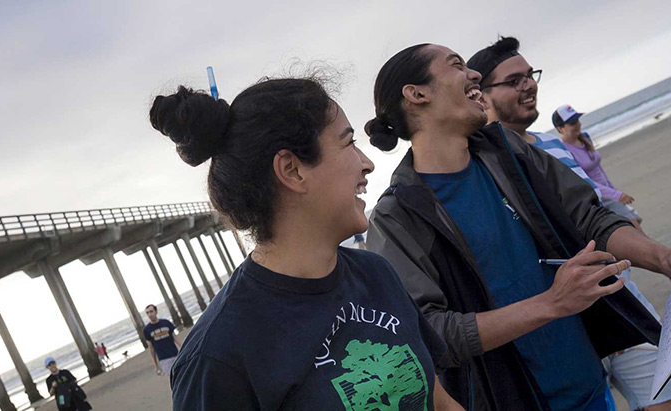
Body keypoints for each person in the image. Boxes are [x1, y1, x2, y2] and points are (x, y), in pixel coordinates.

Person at [363, 43, 671, 410]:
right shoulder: (397, 215)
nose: (474, 74)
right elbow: (430, 333)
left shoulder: (506, 151)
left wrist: (662, 258)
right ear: (416, 94)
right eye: (457, 65)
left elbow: (588, 216)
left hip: (588, 384)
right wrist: (551, 304)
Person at [149, 77, 462, 410]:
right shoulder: (217, 358)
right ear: (292, 170)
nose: (367, 163)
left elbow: (437, 401)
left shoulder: (375, 274)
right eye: (348, 143)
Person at [468, 37, 671, 410]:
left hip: (618, 298)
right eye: (514, 80)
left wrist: (659, 256)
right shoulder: (477, 169)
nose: (529, 85)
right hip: (557, 326)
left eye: (531, 75)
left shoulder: (554, 145)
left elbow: (593, 217)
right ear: (480, 94)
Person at [552, 105, 644, 231]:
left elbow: (598, 170)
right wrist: (616, 195)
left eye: (577, 120)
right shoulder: (563, 151)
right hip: (596, 198)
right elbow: (584, 181)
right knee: (635, 230)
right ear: (560, 128)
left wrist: (613, 190)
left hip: (609, 193)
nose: (578, 124)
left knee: (635, 226)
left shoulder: (585, 137)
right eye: (572, 123)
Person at [141, 304, 181, 376]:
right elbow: (151, 348)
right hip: (164, 359)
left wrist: (182, 348)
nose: (150, 314)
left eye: (151, 311)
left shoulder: (166, 323)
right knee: (174, 377)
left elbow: (175, 337)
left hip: (175, 354)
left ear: (156, 312)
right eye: (147, 313)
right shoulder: (147, 330)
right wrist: (156, 365)